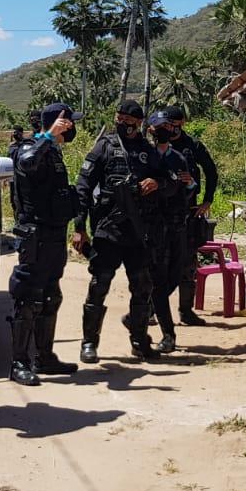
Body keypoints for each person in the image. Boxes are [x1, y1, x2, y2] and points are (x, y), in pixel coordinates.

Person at [73, 101, 162, 363]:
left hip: (138, 232)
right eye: (119, 118)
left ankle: (139, 341)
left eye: (128, 120)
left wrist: (157, 182)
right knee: (99, 286)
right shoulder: (105, 146)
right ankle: (89, 343)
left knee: (142, 287)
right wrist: (79, 227)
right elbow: (83, 187)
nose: (123, 124)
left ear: (139, 122)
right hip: (108, 230)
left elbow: (169, 182)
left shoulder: (147, 151)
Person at [8, 103, 82, 386]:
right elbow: (26, 164)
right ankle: (19, 362)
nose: (73, 127)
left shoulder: (54, 152)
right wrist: (48, 135)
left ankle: (45, 357)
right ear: (57, 123)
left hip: (53, 233)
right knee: (28, 298)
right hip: (35, 235)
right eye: (69, 122)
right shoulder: (30, 147)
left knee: (52, 296)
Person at [163, 106, 219, 327]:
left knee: (187, 264)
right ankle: (149, 310)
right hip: (160, 214)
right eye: (169, 123)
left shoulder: (192, 146)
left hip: (187, 212)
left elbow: (211, 171)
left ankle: (186, 311)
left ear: (182, 123)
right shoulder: (155, 145)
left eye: (177, 123)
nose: (173, 128)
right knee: (159, 263)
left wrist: (207, 200)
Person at [145, 110, 195, 353]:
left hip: (177, 223)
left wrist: (189, 184)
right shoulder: (145, 157)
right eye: (161, 126)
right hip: (155, 226)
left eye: (169, 126)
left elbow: (189, 188)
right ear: (152, 130)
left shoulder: (179, 157)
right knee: (158, 279)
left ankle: (141, 313)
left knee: (176, 275)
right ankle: (168, 335)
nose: (166, 129)